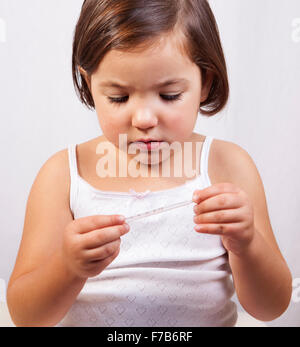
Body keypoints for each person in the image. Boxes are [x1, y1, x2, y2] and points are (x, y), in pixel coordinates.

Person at [7, 0, 292, 327]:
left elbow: (271, 308)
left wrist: (247, 245)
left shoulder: (228, 166)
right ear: (89, 84)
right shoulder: (63, 175)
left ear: (206, 82)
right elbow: (25, 317)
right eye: (119, 98)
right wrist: (67, 267)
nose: (143, 119)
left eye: (169, 95)